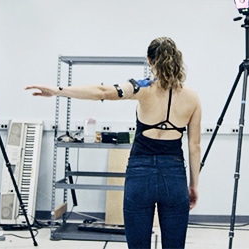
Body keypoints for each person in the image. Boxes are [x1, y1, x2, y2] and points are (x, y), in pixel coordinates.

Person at [26, 37, 201, 249]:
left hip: (140, 175)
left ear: (149, 60)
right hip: (174, 177)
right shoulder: (192, 98)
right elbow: (194, 147)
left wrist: (57, 90)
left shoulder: (141, 88)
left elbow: (102, 92)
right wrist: (193, 185)